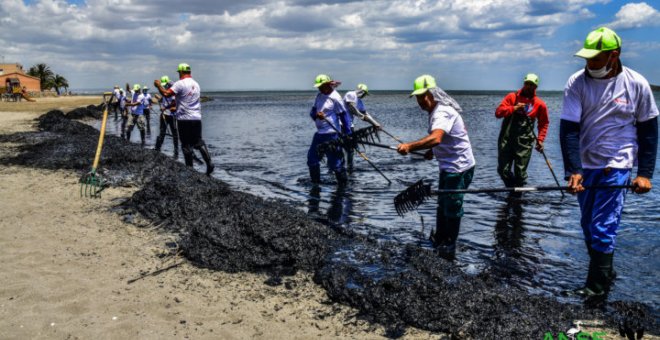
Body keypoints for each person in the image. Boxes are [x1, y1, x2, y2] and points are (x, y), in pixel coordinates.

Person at [560, 27, 658, 302]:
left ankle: (595, 291)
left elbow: (649, 132)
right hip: (587, 162)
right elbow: (569, 129)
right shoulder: (576, 83)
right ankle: (606, 273)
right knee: (588, 225)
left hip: (618, 163)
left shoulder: (636, 84)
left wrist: (645, 174)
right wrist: (574, 170)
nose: (588, 64)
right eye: (587, 59)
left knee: (603, 226)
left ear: (613, 56)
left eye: (595, 59)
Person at [397, 75, 476, 260]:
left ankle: (450, 246)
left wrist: (409, 146)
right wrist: (433, 152)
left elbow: (437, 137)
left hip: (458, 167)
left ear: (432, 94)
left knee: (452, 206)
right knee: (442, 204)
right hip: (448, 166)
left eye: (422, 96)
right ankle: (440, 238)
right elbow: (442, 139)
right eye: (417, 97)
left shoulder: (442, 112)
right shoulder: (435, 112)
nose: (419, 101)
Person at [154, 63, 214, 175]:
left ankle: (190, 171)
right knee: (198, 142)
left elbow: (166, 94)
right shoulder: (196, 84)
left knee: (186, 145)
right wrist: (168, 107)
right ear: (189, 72)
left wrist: (158, 86)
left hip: (184, 119)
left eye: (179, 73)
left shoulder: (180, 84)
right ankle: (209, 163)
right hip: (196, 118)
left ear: (181, 72)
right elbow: (178, 99)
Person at [495, 73, 549, 189]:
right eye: (527, 84)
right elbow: (498, 113)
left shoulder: (540, 104)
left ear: (536, 87)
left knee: (520, 174)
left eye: (532, 85)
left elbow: (544, 123)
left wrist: (540, 140)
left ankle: (517, 197)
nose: (529, 86)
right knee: (502, 170)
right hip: (506, 141)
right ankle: (512, 190)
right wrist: (513, 108)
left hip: (524, 143)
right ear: (524, 84)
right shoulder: (512, 97)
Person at [307, 74, 351, 185]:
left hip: (332, 135)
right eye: (318, 87)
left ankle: (343, 187)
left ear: (328, 85)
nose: (319, 88)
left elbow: (344, 116)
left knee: (335, 164)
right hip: (319, 135)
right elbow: (312, 114)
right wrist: (317, 115)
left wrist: (347, 134)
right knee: (312, 160)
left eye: (321, 86)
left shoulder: (336, 97)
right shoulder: (319, 96)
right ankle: (315, 185)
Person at [342, 83, 378, 172]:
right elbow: (352, 108)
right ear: (361, 91)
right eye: (365, 94)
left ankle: (349, 167)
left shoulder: (360, 101)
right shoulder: (351, 94)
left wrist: (376, 124)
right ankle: (340, 167)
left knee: (351, 149)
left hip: (350, 126)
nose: (364, 96)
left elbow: (365, 113)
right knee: (345, 147)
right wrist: (361, 116)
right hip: (342, 124)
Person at [154, 75, 179, 158]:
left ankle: (176, 151)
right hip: (164, 114)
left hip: (172, 115)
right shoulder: (165, 89)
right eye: (163, 85)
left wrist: (165, 107)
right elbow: (164, 98)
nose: (165, 86)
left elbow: (174, 102)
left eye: (166, 84)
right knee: (162, 132)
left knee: (174, 133)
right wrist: (160, 99)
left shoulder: (173, 88)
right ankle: (157, 148)